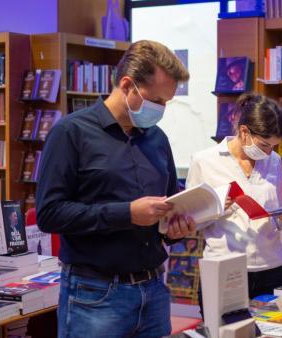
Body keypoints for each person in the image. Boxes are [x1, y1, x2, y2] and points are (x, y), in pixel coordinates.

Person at [36, 40, 196, 338]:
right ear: (127, 85)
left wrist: (174, 227)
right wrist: (127, 214)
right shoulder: (70, 133)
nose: (161, 110)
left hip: (154, 290)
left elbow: (169, 201)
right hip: (95, 295)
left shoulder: (157, 138)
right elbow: (49, 214)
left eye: (166, 103)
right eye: (157, 100)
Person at [187, 93, 282, 301]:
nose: (269, 152)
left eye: (273, 146)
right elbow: (190, 222)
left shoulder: (274, 160)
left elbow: (273, 214)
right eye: (265, 145)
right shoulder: (204, 161)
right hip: (225, 269)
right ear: (244, 132)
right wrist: (216, 207)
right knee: (224, 332)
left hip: (272, 268)